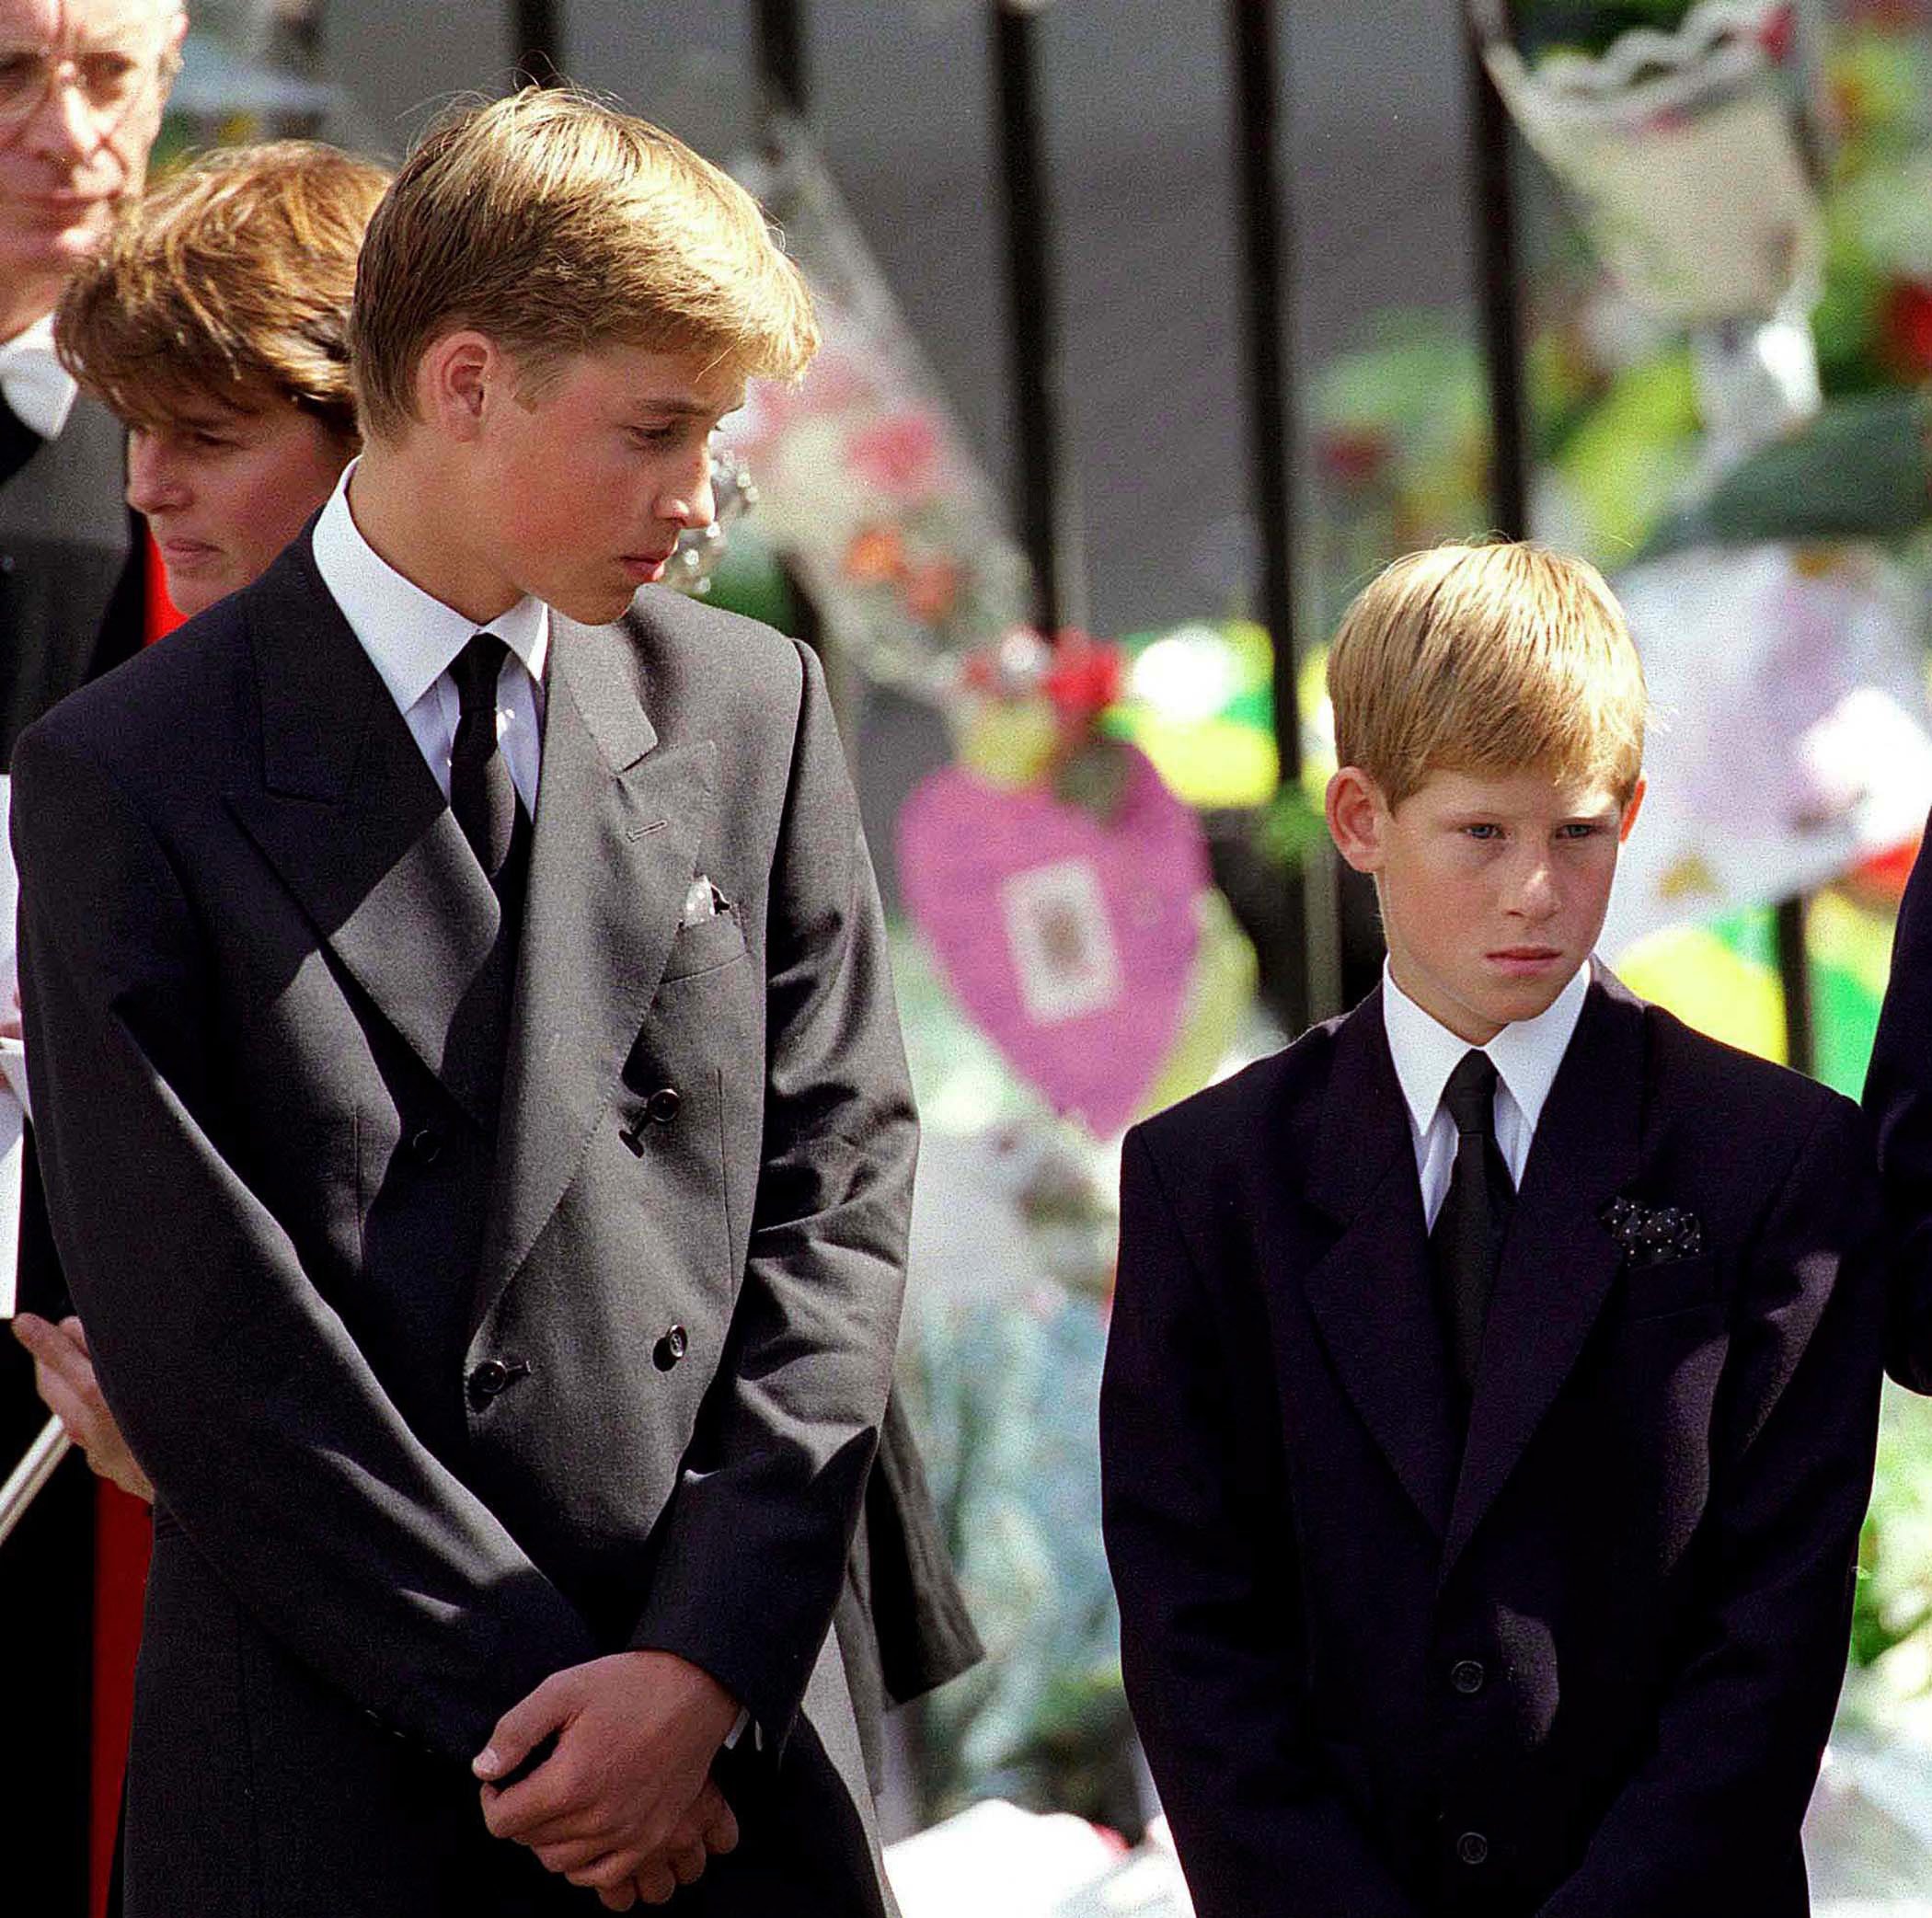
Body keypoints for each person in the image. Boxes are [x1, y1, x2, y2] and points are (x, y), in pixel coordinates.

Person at [14, 88, 918, 1916]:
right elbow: (214, 1337)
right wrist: (553, 1723)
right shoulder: (130, 769)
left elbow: (841, 1198)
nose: (693, 502)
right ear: (465, 381)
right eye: (653, 432)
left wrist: (695, 1672)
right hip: (345, 1762)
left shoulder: (756, 706)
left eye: (712, 438)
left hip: (724, 1754)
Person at [1099, 541, 1883, 1917]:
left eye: (1577, 831)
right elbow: (1192, 1624)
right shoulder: (1207, 1182)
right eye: (1482, 833)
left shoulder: (1774, 1159)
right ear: (1360, 820)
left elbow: (1773, 1635)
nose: (1536, 887)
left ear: (1632, 815)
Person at [0, 3, 184, 1904]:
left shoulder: (194, 416)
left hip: (97, 1251)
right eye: (4, 82)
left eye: (114, 76)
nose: (72, 137)